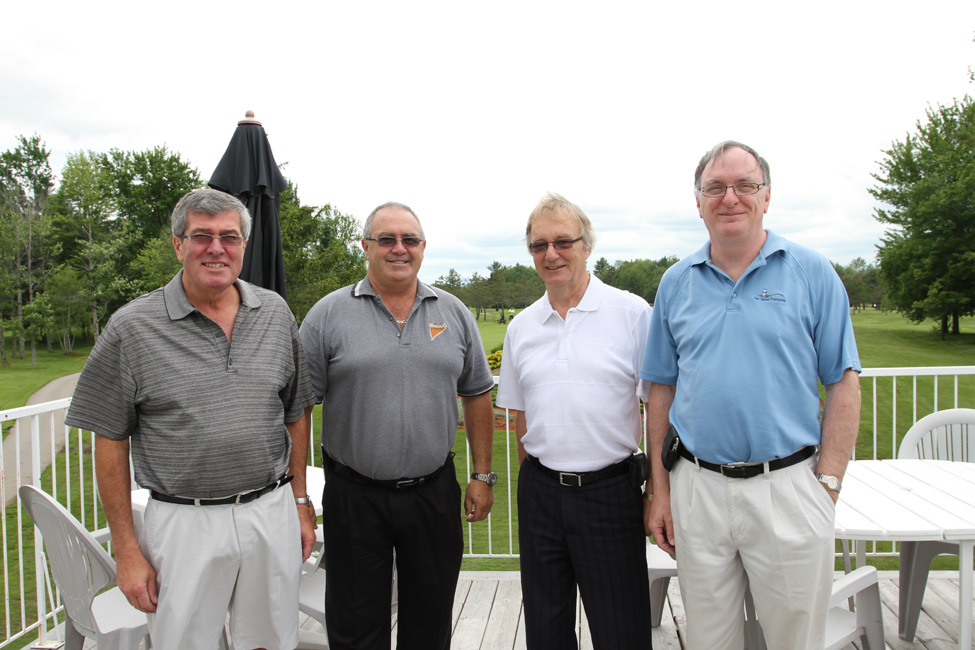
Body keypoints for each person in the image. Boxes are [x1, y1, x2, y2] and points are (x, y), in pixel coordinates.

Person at [64, 189, 317, 650]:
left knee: (271, 641)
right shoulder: (132, 327)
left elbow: (296, 412)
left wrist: (299, 502)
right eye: (202, 236)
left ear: (244, 246)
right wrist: (126, 550)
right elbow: (109, 439)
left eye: (229, 237)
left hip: (270, 510)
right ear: (178, 245)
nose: (216, 248)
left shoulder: (275, 313)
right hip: (184, 522)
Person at [641, 141, 862, 649]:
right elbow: (660, 393)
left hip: (788, 487)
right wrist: (661, 488)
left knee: (794, 640)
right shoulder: (676, 283)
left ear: (767, 196)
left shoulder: (811, 272)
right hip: (698, 488)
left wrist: (826, 484)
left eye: (745, 185)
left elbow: (843, 382)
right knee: (709, 640)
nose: (730, 198)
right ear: (698, 202)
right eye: (715, 188)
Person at [299, 201, 496, 650]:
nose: (398, 249)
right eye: (386, 239)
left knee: (429, 621)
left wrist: (482, 475)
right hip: (354, 495)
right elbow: (299, 408)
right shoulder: (328, 315)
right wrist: (299, 496)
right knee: (354, 624)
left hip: (434, 493)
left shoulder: (454, 311)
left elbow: (478, 392)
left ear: (423, 247)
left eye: (409, 239)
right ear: (365, 246)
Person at [496, 192, 653, 649]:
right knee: (546, 629)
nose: (551, 254)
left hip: (611, 493)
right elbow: (522, 418)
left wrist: (656, 491)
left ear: (587, 246)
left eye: (563, 242)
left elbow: (658, 409)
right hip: (541, 493)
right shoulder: (522, 327)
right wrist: (537, 481)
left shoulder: (632, 314)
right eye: (539, 245)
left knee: (620, 629)